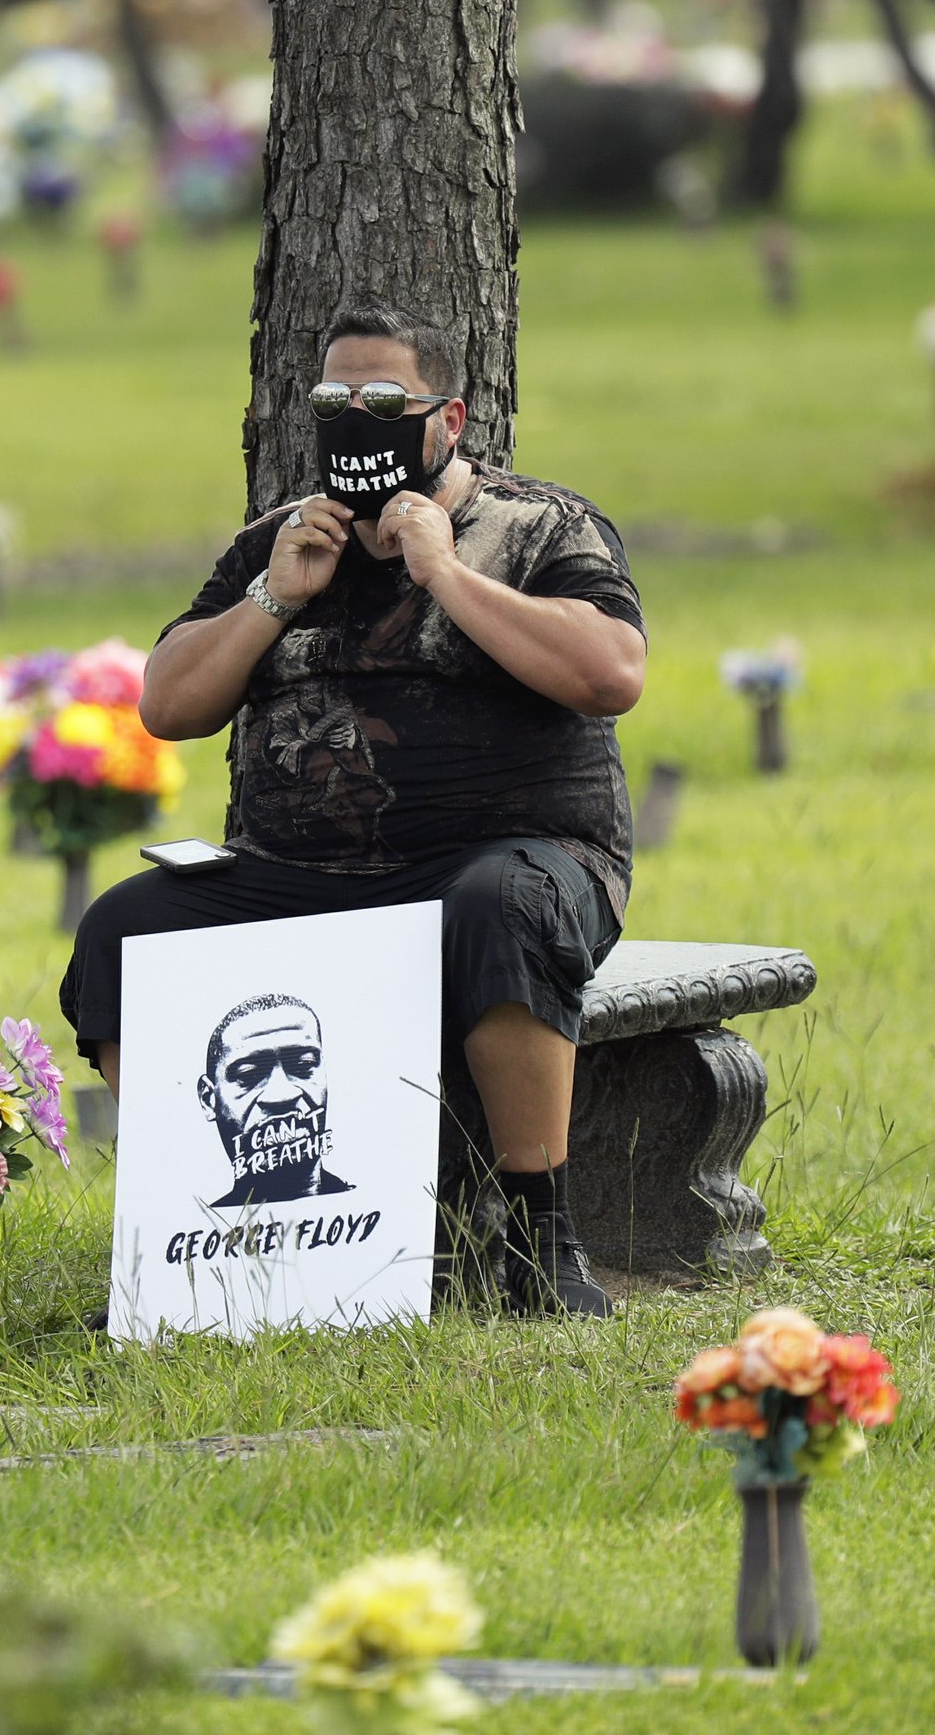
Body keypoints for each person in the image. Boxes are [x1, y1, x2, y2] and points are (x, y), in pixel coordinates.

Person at [62, 303, 646, 1318]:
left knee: (498, 906)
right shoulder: (277, 540)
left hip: (515, 854)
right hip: (306, 872)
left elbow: (610, 673)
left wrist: (446, 574)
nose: (353, 420)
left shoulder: (540, 524)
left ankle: (539, 1236)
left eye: (384, 401)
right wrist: (274, 598)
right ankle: (197, 1226)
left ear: (449, 418)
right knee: (123, 927)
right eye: (333, 400)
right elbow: (168, 703)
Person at [199, 995, 354, 1206]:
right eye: (248, 1075)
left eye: (303, 1065)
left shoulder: (363, 1206)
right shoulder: (202, 1230)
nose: (282, 1095)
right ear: (209, 1100)